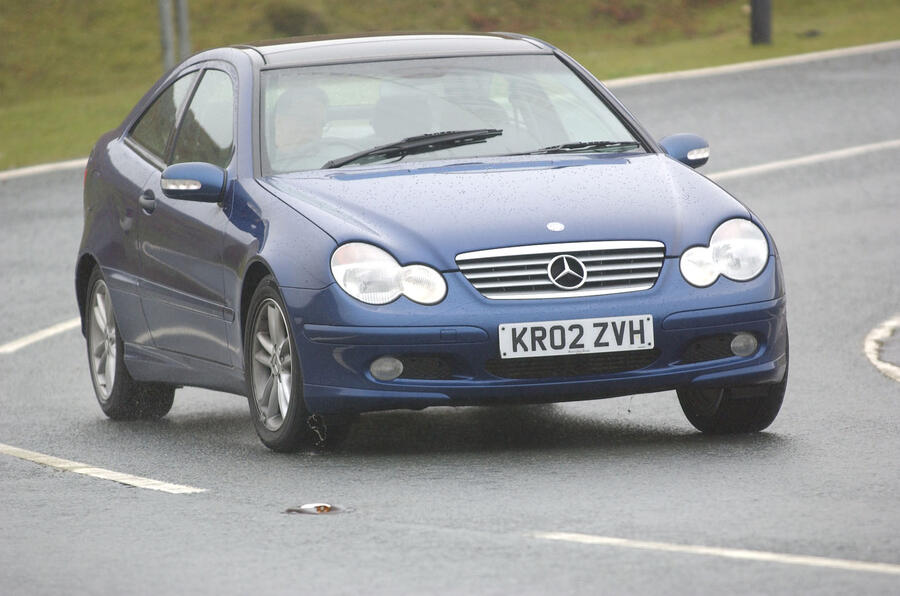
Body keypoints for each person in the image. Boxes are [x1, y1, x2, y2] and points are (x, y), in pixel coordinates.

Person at [269, 86, 328, 171]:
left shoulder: (334, 159)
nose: (314, 129)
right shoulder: (260, 162)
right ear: (279, 122)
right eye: (307, 120)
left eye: (321, 124)